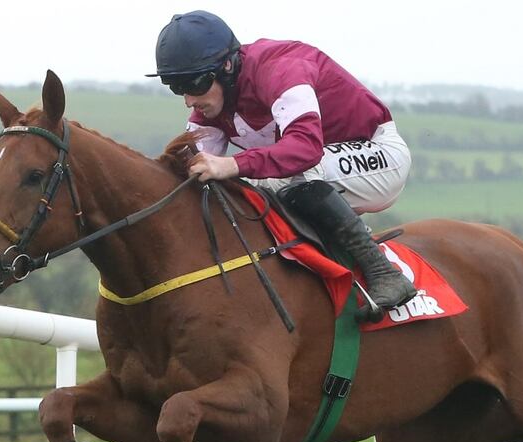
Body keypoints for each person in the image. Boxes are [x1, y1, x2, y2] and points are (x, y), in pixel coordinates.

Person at [148, 10, 417, 321]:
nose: (189, 100)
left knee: (288, 178)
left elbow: (305, 149)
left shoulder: (280, 68)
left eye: (193, 84)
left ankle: (383, 271)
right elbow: (192, 174)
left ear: (227, 66)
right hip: (322, 167)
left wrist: (232, 164)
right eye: (176, 87)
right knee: (230, 188)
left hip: (378, 154)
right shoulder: (211, 104)